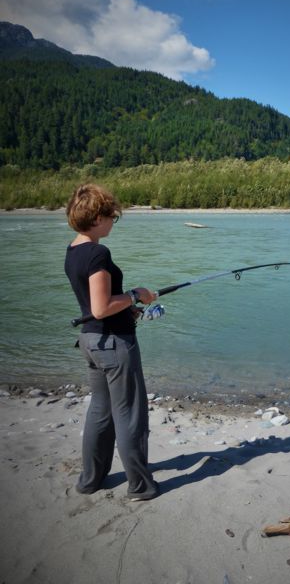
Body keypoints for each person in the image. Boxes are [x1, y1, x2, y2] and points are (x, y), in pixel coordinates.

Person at [64, 183, 159, 501]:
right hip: (115, 346)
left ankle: (90, 480)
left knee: (101, 411)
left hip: (91, 341)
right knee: (130, 414)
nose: (112, 222)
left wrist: (128, 308)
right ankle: (140, 486)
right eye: (111, 217)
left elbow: (95, 306)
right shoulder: (98, 252)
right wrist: (136, 294)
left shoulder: (74, 251)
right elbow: (101, 307)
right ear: (97, 218)